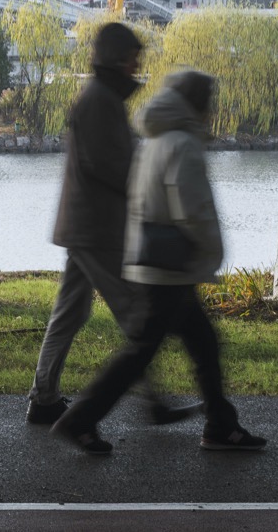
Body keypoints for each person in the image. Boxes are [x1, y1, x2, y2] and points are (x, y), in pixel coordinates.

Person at [52, 69, 266, 454]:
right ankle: (80, 419)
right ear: (198, 104)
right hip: (171, 266)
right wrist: (211, 251)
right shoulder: (182, 144)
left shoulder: (153, 140)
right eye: (209, 102)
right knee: (142, 351)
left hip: (154, 261)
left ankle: (221, 423)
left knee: (202, 343)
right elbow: (192, 210)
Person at [26, 22, 194, 426]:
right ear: (118, 58)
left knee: (70, 312)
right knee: (134, 311)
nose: (139, 63)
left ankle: (43, 398)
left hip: (84, 225)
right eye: (134, 56)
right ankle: (154, 403)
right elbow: (105, 164)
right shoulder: (100, 100)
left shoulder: (102, 98)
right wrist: (145, 187)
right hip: (96, 229)